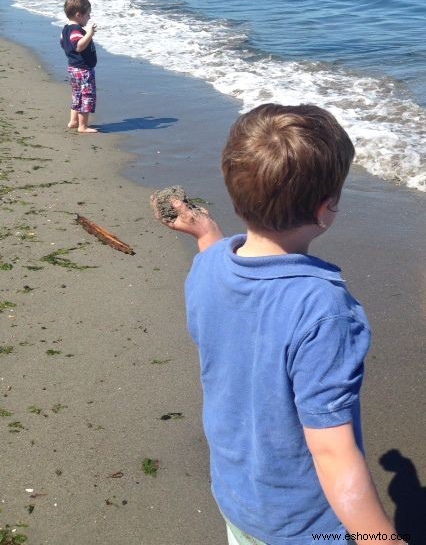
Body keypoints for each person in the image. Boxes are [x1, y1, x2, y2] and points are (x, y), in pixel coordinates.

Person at [152, 103, 407, 545]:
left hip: (238, 497)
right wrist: (381, 540)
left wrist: (207, 236)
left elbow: (229, 286)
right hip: (304, 526)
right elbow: (332, 450)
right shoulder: (324, 309)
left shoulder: (209, 267)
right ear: (326, 208)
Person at [60, 0, 98, 133]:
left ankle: (73, 121)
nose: (89, 17)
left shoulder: (66, 29)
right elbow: (78, 46)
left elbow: (62, 41)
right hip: (83, 70)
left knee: (77, 94)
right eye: (88, 14)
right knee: (86, 95)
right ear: (79, 15)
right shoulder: (76, 30)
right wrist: (89, 34)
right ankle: (83, 126)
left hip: (73, 67)